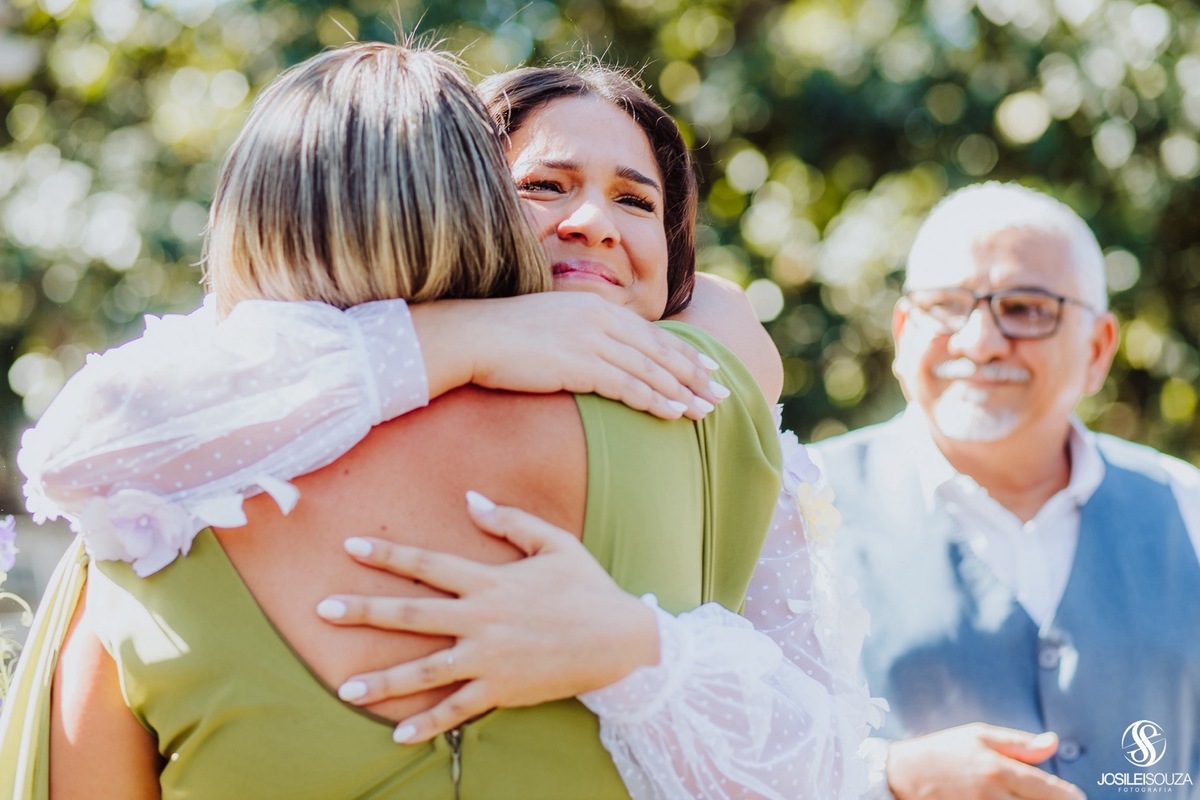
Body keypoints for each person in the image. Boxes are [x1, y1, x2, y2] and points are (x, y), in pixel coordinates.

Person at [2, 44, 872, 799]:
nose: (596, 225)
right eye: (544, 185)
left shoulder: (705, 399)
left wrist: (638, 650)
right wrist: (465, 334)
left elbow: (828, 764)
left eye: (637, 201)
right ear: (464, 200)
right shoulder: (221, 419)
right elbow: (84, 445)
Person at [811, 181, 1200, 800]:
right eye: (947, 307)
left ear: (1098, 348)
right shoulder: (799, 505)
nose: (980, 342)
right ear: (905, 330)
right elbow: (710, 749)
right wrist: (885, 777)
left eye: (1025, 308)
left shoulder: (1188, 507)